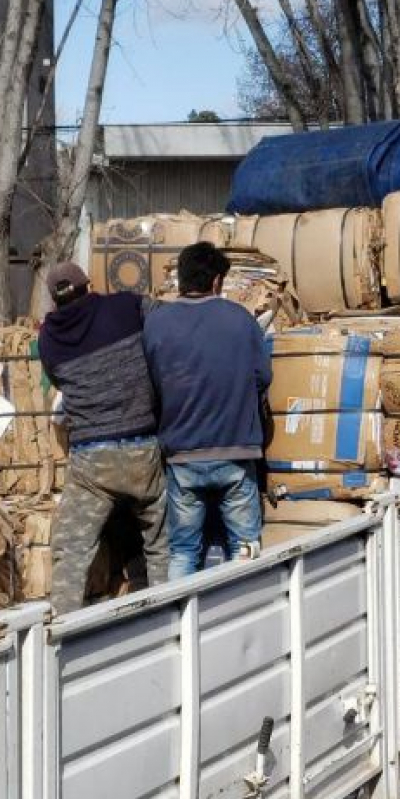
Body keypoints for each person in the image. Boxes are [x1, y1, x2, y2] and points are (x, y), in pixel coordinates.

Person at [37, 262, 168, 614]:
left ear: (54, 299)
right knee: (159, 541)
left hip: (92, 460)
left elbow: (59, 382)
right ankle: (165, 616)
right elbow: (168, 319)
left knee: (72, 548)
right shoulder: (126, 306)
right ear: (89, 285)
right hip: (144, 449)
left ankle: (62, 629)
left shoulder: (48, 338)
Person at [143, 242, 271, 579]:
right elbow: (263, 378)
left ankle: (179, 626)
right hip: (236, 453)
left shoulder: (156, 324)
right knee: (245, 549)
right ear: (217, 282)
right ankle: (245, 617)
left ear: (181, 279)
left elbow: (151, 383)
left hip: (181, 455)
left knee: (183, 551)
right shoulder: (242, 321)